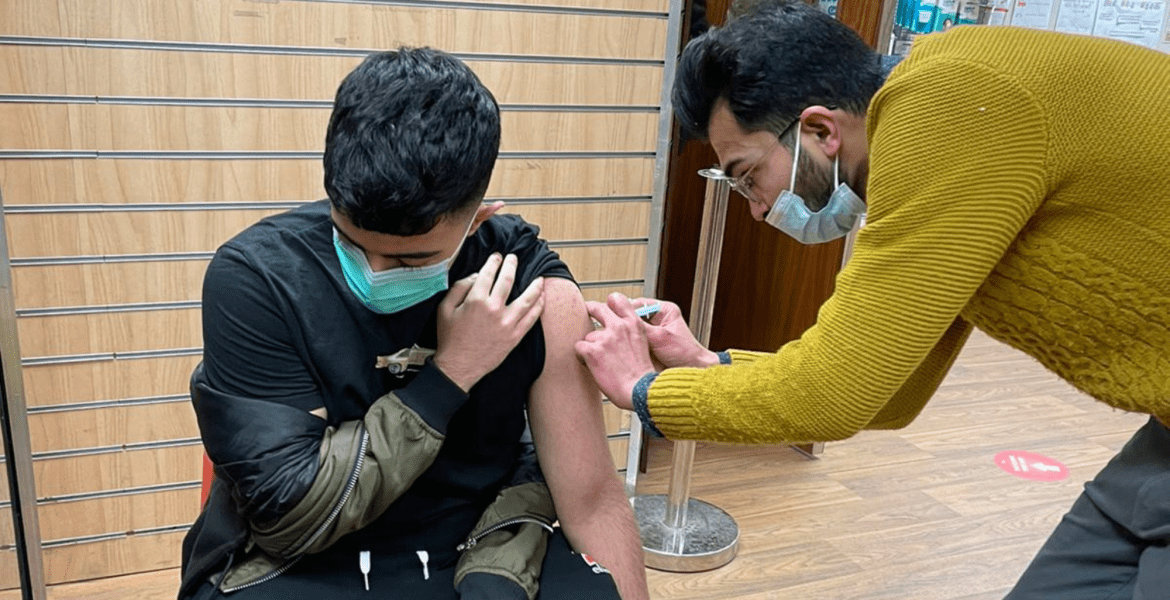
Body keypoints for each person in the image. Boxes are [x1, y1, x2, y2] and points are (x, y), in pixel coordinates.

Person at [575, 1, 1170, 598]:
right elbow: (892, 393)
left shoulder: (951, 103)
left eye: (748, 176)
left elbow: (829, 395)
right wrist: (706, 364)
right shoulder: (951, 129)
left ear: (820, 131)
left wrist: (642, 392)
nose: (755, 209)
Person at [179, 48, 649, 600]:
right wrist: (451, 373)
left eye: (408, 261)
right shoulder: (258, 279)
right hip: (309, 550)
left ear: (478, 220)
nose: (376, 272)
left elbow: (591, 499)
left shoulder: (536, 291)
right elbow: (290, 515)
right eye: (353, 245)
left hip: (484, 534)